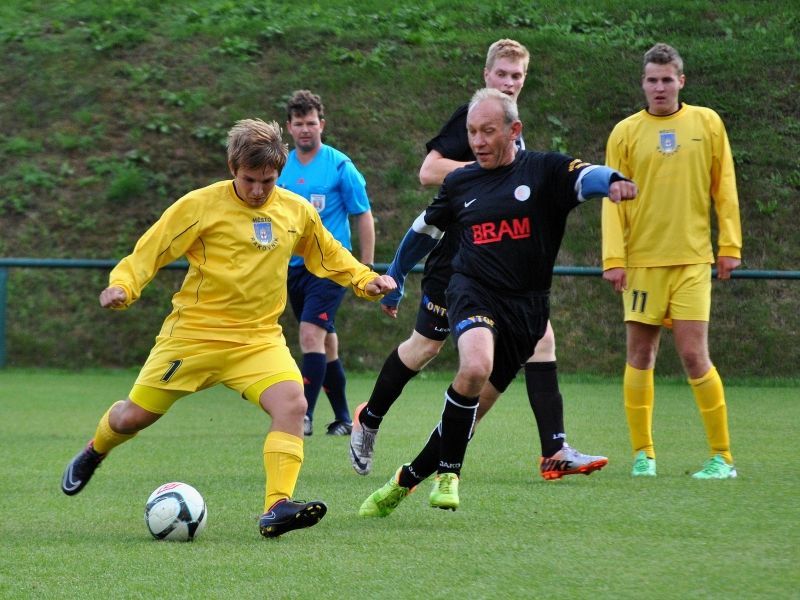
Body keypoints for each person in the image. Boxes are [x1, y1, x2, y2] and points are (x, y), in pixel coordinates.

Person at [60, 118, 396, 538]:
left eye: (267, 181)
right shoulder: (200, 205)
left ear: (280, 172)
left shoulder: (295, 211)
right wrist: (123, 285)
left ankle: (276, 507)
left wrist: (366, 280)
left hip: (257, 340)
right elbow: (153, 247)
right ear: (232, 167)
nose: (257, 190)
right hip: (193, 335)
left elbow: (328, 256)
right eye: (249, 179)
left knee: (292, 404)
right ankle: (96, 450)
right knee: (132, 418)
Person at [359, 89, 636, 516]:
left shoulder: (545, 170)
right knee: (473, 366)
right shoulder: (461, 181)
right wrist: (394, 274)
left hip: (527, 309)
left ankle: (406, 479)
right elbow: (423, 232)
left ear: (513, 130)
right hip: (472, 290)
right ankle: (451, 474)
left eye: (488, 131)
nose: (478, 141)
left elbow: (587, 176)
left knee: (468, 415)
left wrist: (613, 181)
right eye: (472, 132)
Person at [602, 43, 741, 479]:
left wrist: (729, 247)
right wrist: (613, 257)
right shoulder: (625, 132)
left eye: (667, 79)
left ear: (681, 81)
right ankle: (644, 455)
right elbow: (611, 200)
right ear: (642, 83)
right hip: (642, 262)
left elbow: (725, 188)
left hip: (692, 261)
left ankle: (722, 457)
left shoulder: (707, 122)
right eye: (652, 80)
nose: (659, 87)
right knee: (640, 354)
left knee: (693, 354)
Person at [278, 90, 376, 438]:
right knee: (325, 343)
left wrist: (364, 268)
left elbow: (362, 215)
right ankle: (344, 419)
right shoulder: (280, 166)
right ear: (289, 127)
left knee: (309, 335)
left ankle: (302, 416)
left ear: (323, 124)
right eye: (299, 123)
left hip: (331, 267)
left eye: (312, 122)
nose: (306, 129)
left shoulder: (339, 166)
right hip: (292, 268)